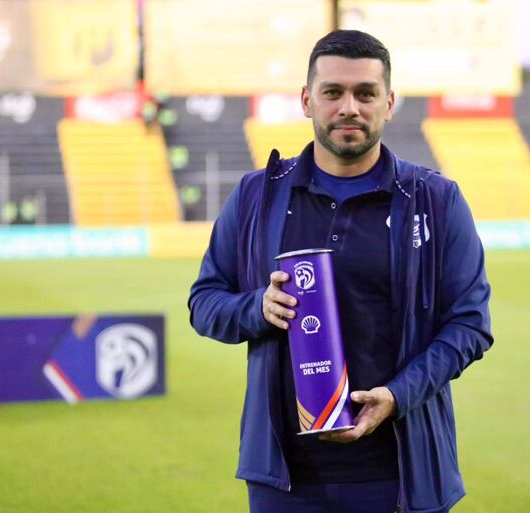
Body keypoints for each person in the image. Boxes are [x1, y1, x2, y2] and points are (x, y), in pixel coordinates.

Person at [189, 30, 493, 513]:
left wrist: (397, 395)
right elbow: (205, 303)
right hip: (284, 481)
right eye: (333, 92)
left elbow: (470, 325)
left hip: (402, 476)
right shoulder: (256, 196)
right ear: (307, 100)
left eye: (365, 93)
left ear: (388, 103)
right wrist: (257, 307)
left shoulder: (436, 200)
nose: (349, 107)